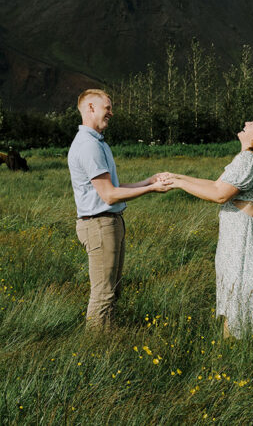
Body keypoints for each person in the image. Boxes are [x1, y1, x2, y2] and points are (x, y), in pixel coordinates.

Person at [160, 117, 253, 338]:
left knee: (237, 291)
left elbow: (219, 195)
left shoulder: (247, 160)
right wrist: (177, 177)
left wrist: (178, 184)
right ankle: (238, 344)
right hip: (237, 231)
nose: (247, 122)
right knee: (236, 290)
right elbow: (215, 185)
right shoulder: (246, 158)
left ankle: (235, 347)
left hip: (239, 233)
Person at [68, 88, 169, 330]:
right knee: (103, 294)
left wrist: (148, 180)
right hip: (100, 224)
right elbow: (110, 195)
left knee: (112, 291)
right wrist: (152, 190)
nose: (111, 113)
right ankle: (96, 348)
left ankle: (108, 337)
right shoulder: (88, 146)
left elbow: (111, 186)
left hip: (108, 223)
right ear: (90, 107)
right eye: (108, 107)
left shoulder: (96, 143)